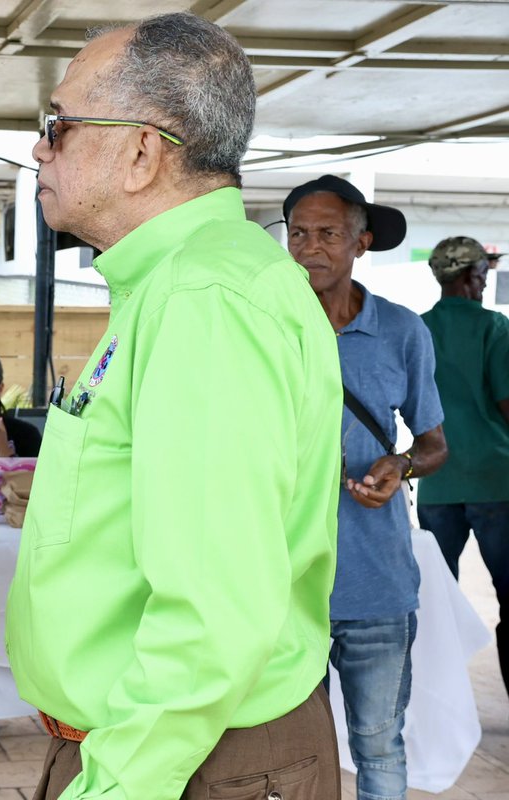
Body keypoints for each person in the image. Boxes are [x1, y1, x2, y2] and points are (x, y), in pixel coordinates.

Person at [4, 14, 344, 800]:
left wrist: (113, 787)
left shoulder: (202, 297)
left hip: (185, 759)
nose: (38, 148)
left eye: (58, 125)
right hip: (166, 746)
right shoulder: (182, 282)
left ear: (140, 152)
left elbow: (212, 615)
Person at [284, 173, 447, 800]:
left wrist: (398, 467)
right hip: (284, 584)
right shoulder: (266, 328)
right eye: (298, 234)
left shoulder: (403, 332)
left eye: (327, 234)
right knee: (294, 751)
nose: (309, 248)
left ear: (361, 243)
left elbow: (434, 446)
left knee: (378, 744)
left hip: (375, 584)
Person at [418, 235, 509, 702]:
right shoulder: (495, 329)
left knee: (437, 602)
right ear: (474, 277)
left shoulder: (417, 329)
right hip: (496, 480)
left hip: (436, 482)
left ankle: (442, 704)